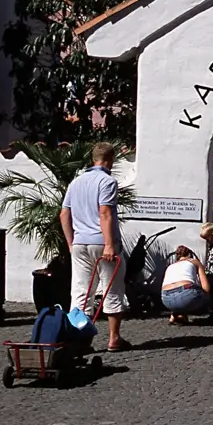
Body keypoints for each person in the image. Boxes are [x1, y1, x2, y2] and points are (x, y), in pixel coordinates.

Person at [59, 142, 130, 352]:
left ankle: (80, 339)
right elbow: (105, 212)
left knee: (81, 292)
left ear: (93, 158)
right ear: (111, 159)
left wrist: (71, 243)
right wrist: (109, 244)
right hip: (102, 242)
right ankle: (114, 339)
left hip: (80, 243)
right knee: (112, 289)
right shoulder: (107, 181)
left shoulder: (76, 182)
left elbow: (64, 214)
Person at [161, 246, 212, 324]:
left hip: (166, 299)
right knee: (197, 292)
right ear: (189, 254)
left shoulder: (170, 266)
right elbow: (206, 287)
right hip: (186, 294)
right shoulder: (194, 261)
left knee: (182, 292)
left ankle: (176, 313)